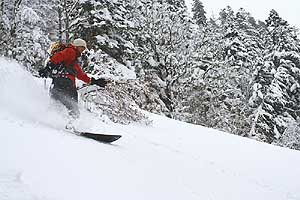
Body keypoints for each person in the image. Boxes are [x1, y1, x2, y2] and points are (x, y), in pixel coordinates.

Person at [39, 38, 107, 126]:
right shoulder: (71, 51)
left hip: (57, 82)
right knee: (73, 105)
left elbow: (80, 74)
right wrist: (48, 67)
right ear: (77, 46)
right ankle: (72, 124)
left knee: (57, 103)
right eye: (82, 48)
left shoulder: (72, 61)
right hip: (66, 82)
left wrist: (94, 81)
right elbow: (59, 56)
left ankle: (52, 120)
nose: (83, 51)